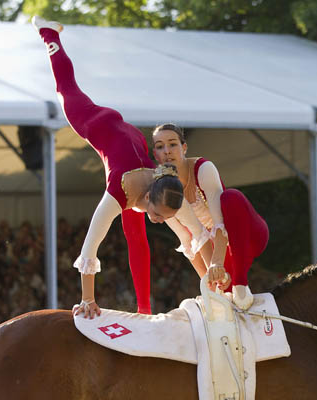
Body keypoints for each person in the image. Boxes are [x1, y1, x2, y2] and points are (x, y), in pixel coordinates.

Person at [32, 17, 184, 318]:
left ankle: (144, 307)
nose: (158, 221)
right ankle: (47, 32)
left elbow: (192, 233)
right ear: (151, 199)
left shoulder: (164, 185)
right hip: (98, 125)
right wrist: (87, 299)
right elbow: (89, 248)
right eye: (157, 214)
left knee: (136, 235)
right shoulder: (117, 193)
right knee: (65, 88)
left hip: (131, 136)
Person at [152, 124, 269, 309]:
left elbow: (219, 223)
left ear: (184, 147)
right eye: (160, 146)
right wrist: (209, 279)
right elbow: (188, 239)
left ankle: (241, 283)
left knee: (231, 197)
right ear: (155, 154)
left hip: (245, 236)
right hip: (218, 251)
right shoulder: (162, 188)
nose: (166, 151)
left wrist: (217, 262)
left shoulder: (203, 168)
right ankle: (228, 287)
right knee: (219, 294)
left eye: (172, 144)